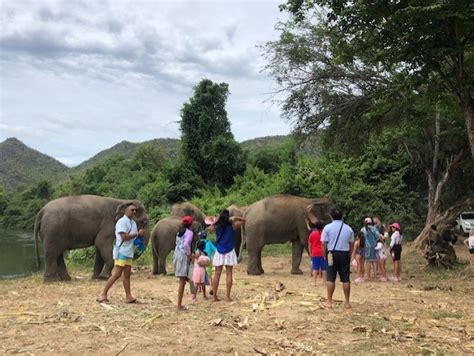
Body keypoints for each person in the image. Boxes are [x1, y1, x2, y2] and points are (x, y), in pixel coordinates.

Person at [97, 203, 144, 304]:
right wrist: (137, 234)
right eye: (132, 210)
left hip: (129, 251)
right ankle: (103, 293)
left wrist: (139, 237)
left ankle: (128, 296)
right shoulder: (121, 222)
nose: (134, 212)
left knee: (127, 274)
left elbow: (133, 237)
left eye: (135, 210)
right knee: (116, 274)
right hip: (121, 251)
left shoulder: (133, 223)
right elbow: (124, 237)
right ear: (125, 211)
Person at [208, 209, 245, 302]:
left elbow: (209, 229)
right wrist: (236, 217)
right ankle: (228, 297)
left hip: (219, 251)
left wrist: (215, 221)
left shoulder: (217, 226)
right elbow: (244, 221)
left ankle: (214, 297)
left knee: (217, 274)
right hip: (229, 251)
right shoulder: (232, 226)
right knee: (229, 273)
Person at [321, 208, 354, 310]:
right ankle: (347, 302)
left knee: (331, 278)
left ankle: (329, 301)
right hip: (344, 253)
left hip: (332, 253)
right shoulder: (348, 228)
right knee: (345, 279)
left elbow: (323, 243)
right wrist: (349, 254)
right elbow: (351, 243)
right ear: (342, 216)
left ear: (331, 217)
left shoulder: (327, 228)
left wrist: (324, 255)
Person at [173, 216, 195, 311]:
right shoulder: (189, 233)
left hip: (176, 255)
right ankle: (179, 305)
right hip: (183, 256)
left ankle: (180, 303)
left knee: (183, 278)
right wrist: (189, 254)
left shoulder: (179, 232)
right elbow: (186, 244)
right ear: (191, 224)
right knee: (182, 282)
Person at [308, 221, 327, 287]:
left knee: (315, 268)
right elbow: (325, 243)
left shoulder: (312, 234)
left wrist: (310, 253)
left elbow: (310, 244)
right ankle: (324, 283)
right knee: (324, 269)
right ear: (323, 227)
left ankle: (314, 282)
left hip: (315, 253)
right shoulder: (324, 234)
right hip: (323, 253)